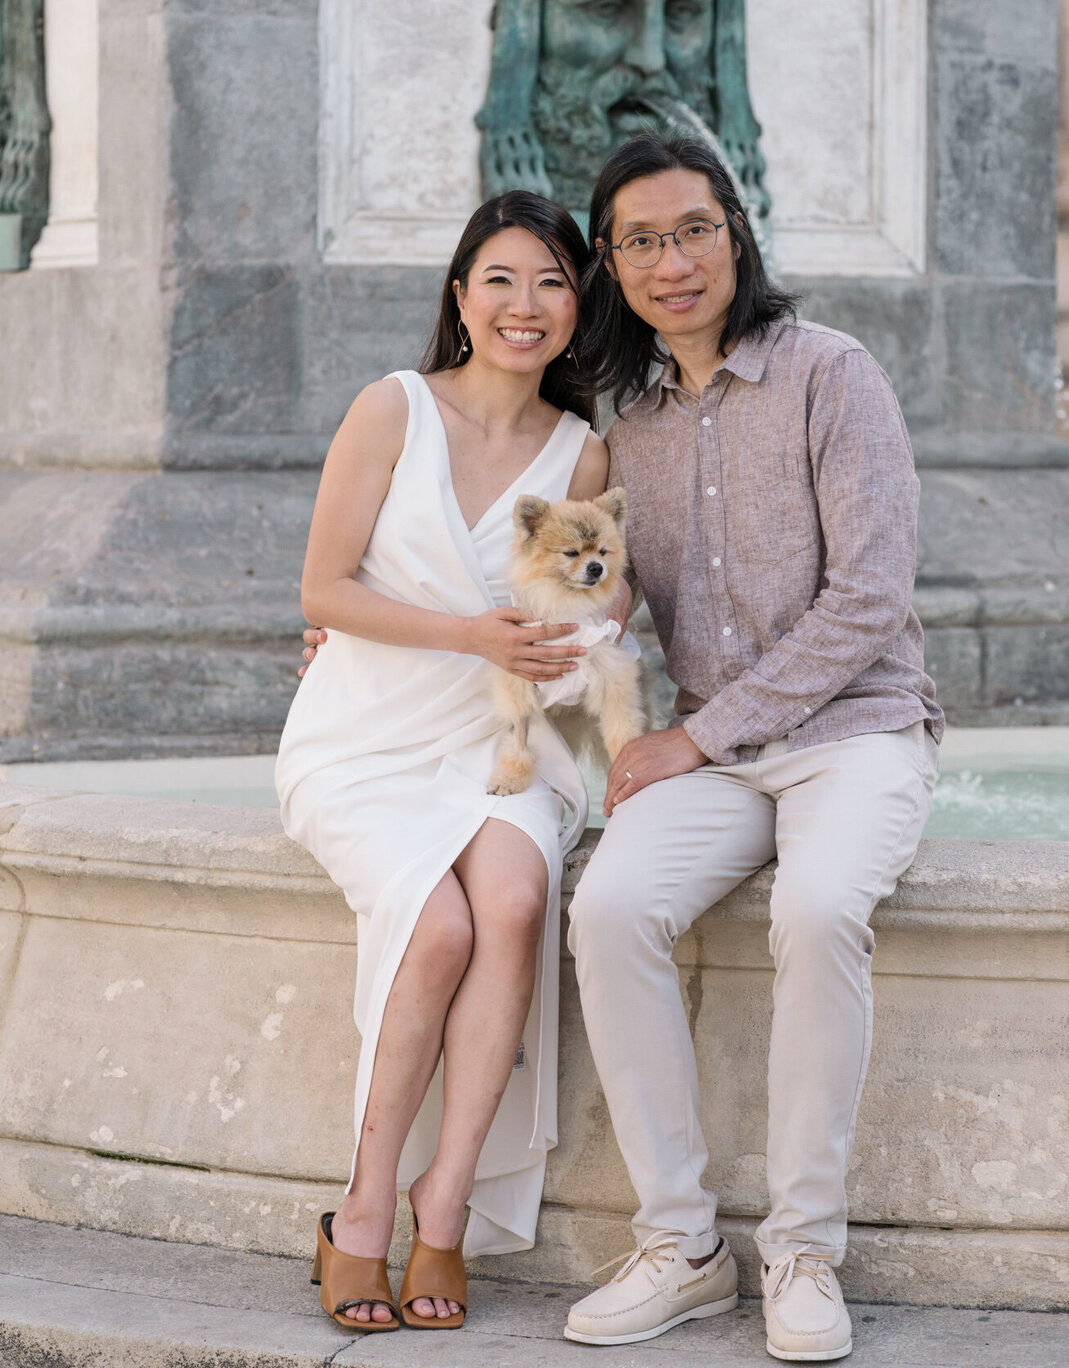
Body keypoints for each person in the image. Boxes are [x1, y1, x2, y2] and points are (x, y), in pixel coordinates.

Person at [560, 131, 942, 1361]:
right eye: (643, 242)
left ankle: (803, 1252)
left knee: (822, 906)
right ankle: (683, 1244)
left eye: (694, 231)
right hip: (724, 758)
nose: (674, 262)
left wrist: (698, 734)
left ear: (737, 234)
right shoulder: (633, 431)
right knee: (611, 907)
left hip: (857, 730)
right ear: (613, 266)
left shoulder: (836, 374)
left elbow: (872, 596)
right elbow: (595, 595)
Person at [277, 191, 608, 1333]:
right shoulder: (392, 410)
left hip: (501, 740)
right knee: (440, 926)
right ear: (461, 294)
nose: (527, 306)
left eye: (554, 283)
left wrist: (567, 652)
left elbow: (581, 615)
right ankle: (362, 1215)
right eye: (503, 279)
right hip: (366, 729)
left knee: (512, 900)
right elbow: (326, 592)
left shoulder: (582, 451)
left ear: (579, 306)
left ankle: (446, 1209)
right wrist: (466, 633)